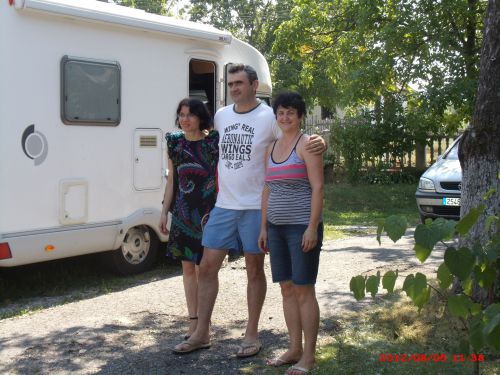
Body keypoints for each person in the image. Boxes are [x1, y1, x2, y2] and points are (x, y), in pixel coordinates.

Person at [173, 64, 325, 356]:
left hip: (257, 206)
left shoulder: (269, 116)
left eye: (240, 83)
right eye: (231, 84)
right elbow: (196, 136)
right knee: (206, 267)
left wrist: (321, 142)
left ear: (255, 85)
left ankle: (251, 335)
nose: (234, 89)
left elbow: (294, 138)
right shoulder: (221, 115)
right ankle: (201, 332)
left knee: (254, 270)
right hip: (224, 204)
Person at [258, 91, 324, 375]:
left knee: (303, 290)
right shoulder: (270, 148)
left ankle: (308, 357)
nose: (285, 117)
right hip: (275, 228)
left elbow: (318, 188)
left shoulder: (307, 145)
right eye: (281, 112)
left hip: (301, 228)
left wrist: (312, 227)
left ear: (299, 117)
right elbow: (267, 188)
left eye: (291, 113)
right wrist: (263, 227)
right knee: (286, 289)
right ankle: (294, 348)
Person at [159, 98, 218, 341]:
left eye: (190, 115)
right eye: (181, 114)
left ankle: (204, 325)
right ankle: (193, 322)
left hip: (209, 213)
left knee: (204, 269)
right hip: (183, 214)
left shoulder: (213, 142)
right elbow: (172, 179)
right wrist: (164, 211)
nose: (184, 119)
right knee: (187, 268)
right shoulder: (174, 143)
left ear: (200, 117)